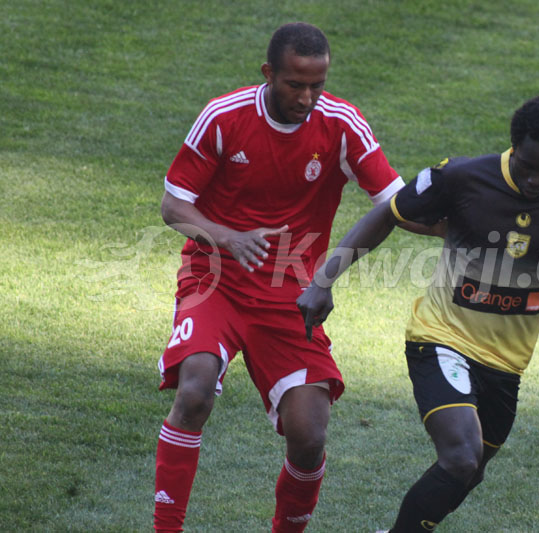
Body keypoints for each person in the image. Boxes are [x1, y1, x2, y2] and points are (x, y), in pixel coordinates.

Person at [297, 96, 539, 532]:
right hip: (440, 337)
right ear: (513, 145)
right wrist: (323, 281)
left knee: (469, 473)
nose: (534, 180)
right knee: (460, 458)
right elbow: (388, 212)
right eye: (526, 166)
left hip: (506, 363)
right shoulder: (461, 176)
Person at [153, 22, 432, 532]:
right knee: (194, 391)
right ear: (269, 73)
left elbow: (395, 204)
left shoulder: (341, 124)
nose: (307, 97)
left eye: (317, 85)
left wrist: (462, 226)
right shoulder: (224, 116)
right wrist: (228, 238)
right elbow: (173, 206)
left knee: (309, 434)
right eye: (294, 85)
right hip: (214, 278)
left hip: (290, 293)